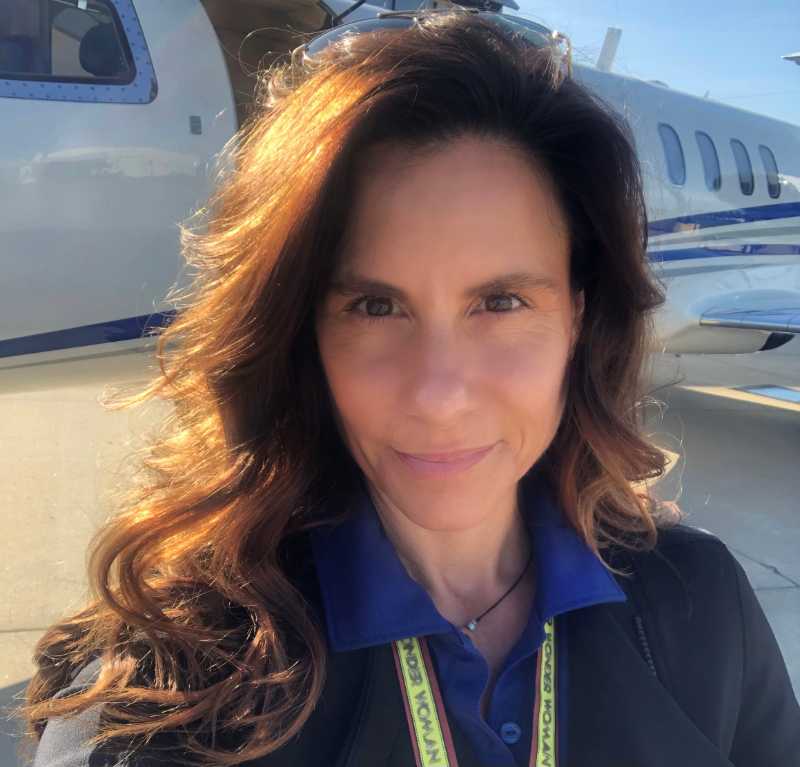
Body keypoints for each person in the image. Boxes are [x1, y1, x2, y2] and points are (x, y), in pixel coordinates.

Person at [15, 9, 799, 767]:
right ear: (304, 332)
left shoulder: (702, 607)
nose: (439, 395)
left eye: (501, 302)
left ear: (579, 318)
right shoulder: (165, 699)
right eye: (375, 306)